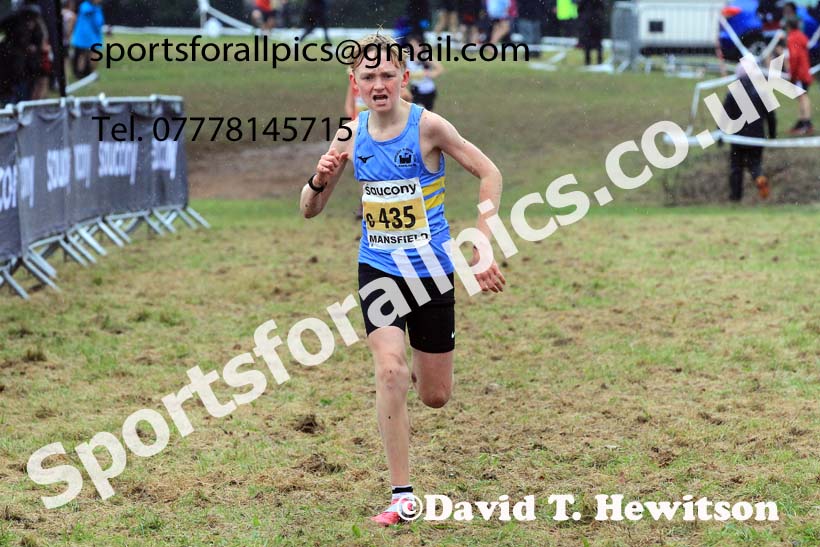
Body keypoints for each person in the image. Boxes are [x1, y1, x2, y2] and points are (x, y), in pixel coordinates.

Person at [298, 32, 505, 526]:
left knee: (435, 396)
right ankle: (402, 495)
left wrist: (481, 241)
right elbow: (309, 209)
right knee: (389, 371)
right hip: (379, 271)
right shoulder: (350, 134)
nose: (378, 84)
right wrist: (319, 179)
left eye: (387, 74)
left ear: (404, 78)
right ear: (355, 83)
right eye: (368, 77)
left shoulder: (429, 126)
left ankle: (419, 369)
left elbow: (489, 172)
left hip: (431, 273)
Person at [722, 63, 776, 201]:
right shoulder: (763, 91)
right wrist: (772, 134)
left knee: (736, 167)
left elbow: (725, 116)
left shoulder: (734, 92)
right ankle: (759, 177)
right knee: (755, 163)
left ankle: (735, 197)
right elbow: (771, 116)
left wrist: (720, 135)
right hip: (757, 137)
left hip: (738, 138)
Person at [784, 19, 813, 135]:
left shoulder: (792, 38)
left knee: (802, 97)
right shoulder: (801, 36)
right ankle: (803, 122)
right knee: (802, 97)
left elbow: (794, 57)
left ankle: (806, 123)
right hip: (804, 71)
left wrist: (793, 75)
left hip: (800, 73)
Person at [405, 34, 444, 110]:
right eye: (411, 46)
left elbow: (440, 69)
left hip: (429, 90)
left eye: (416, 45)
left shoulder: (425, 56)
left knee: (429, 114)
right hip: (416, 90)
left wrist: (429, 74)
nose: (414, 48)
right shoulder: (407, 60)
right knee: (420, 111)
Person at [70, 0, 103, 79]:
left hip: (94, 36)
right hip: (83, 36)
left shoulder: (98, 8)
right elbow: (86, 11)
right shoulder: (85, 6)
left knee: (94, 55)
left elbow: (99, 22)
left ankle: (92, 73)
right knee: (82, 54)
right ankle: (79, 73)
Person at [577, 0, 604, 65]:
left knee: (588, 42)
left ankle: (588, 61)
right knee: (597, 42)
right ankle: (599, 60)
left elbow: (579, 9)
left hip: (588, 22)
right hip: (596, 21)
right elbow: (602, 7)